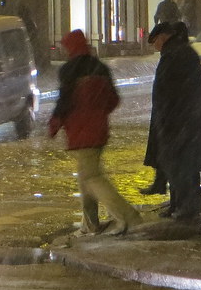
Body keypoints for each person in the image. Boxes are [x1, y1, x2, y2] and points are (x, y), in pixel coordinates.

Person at [48, 29, 143, 236]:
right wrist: (98, 113)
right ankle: (89, 225)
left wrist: (55, 124)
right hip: (99, 129)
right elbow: (114, 100)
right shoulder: (100, 68)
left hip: (80, 132)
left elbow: (64, 102)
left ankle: (129, 216)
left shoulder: (69, 71)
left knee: (92, 178)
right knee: (85, 178)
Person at [145, 21, 201, 221]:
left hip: (178, 122)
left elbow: (171, 92)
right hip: (181, 120)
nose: (155, 46)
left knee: (181, 165)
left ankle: (187, 207)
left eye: (154, 41)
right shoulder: (178, 52)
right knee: (177, 164)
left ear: (163, 36)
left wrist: (169, 118)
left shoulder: (175, 55)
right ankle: (178, 205)